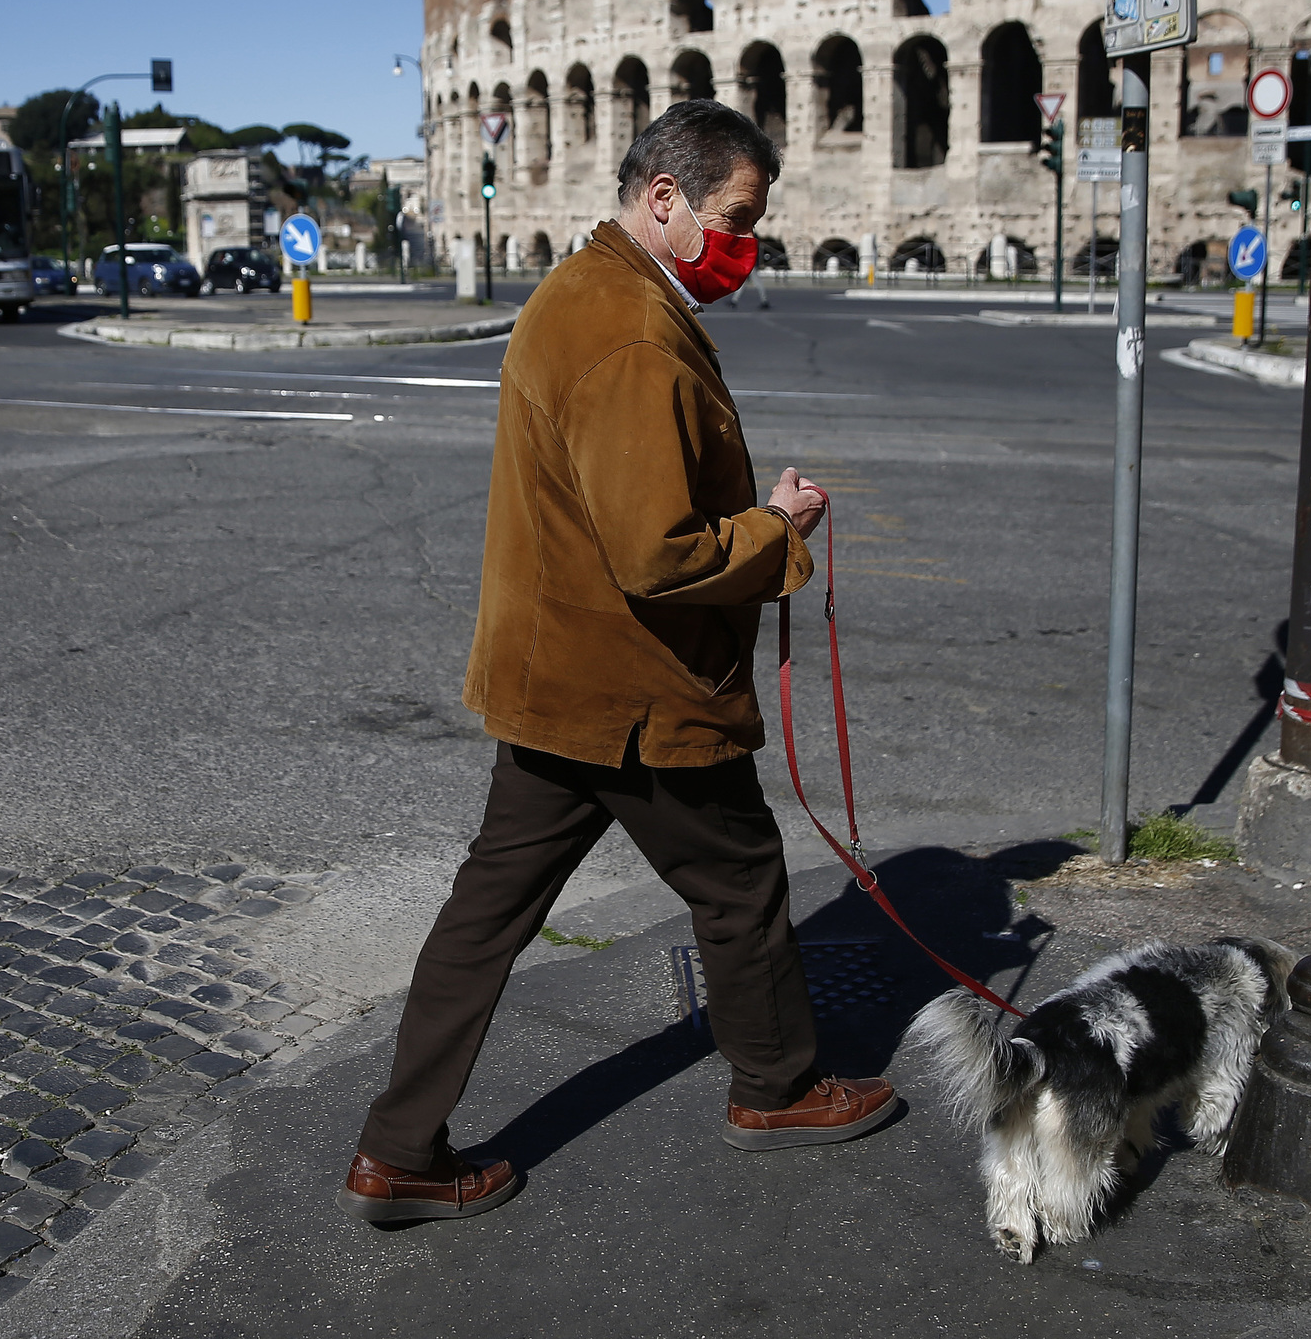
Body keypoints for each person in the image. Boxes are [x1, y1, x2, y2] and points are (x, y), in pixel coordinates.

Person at [339, 100, 897, 1225]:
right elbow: (656, 553)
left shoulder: (585, 291)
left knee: (487, 910)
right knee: (738, 880)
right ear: (663, 200)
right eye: (737, 217)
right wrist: (777, 530)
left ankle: (398, 1148)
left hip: (557, 676)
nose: (750, 241)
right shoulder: (633, 330)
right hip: (633, 689)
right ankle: (777, 1089)